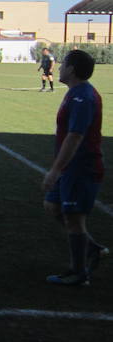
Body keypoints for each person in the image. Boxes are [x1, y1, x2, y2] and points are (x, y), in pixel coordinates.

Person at [43, 49, 108, 285]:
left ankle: (79, 273)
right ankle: (91, 248)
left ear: (72, 69)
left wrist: (55, 170)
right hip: (70, 167)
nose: (59, 67)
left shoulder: (83, 97)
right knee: (53, 206)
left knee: (74, 219)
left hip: (81, 167)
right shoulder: (75, 93)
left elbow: (75, 136)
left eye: (63, 64)